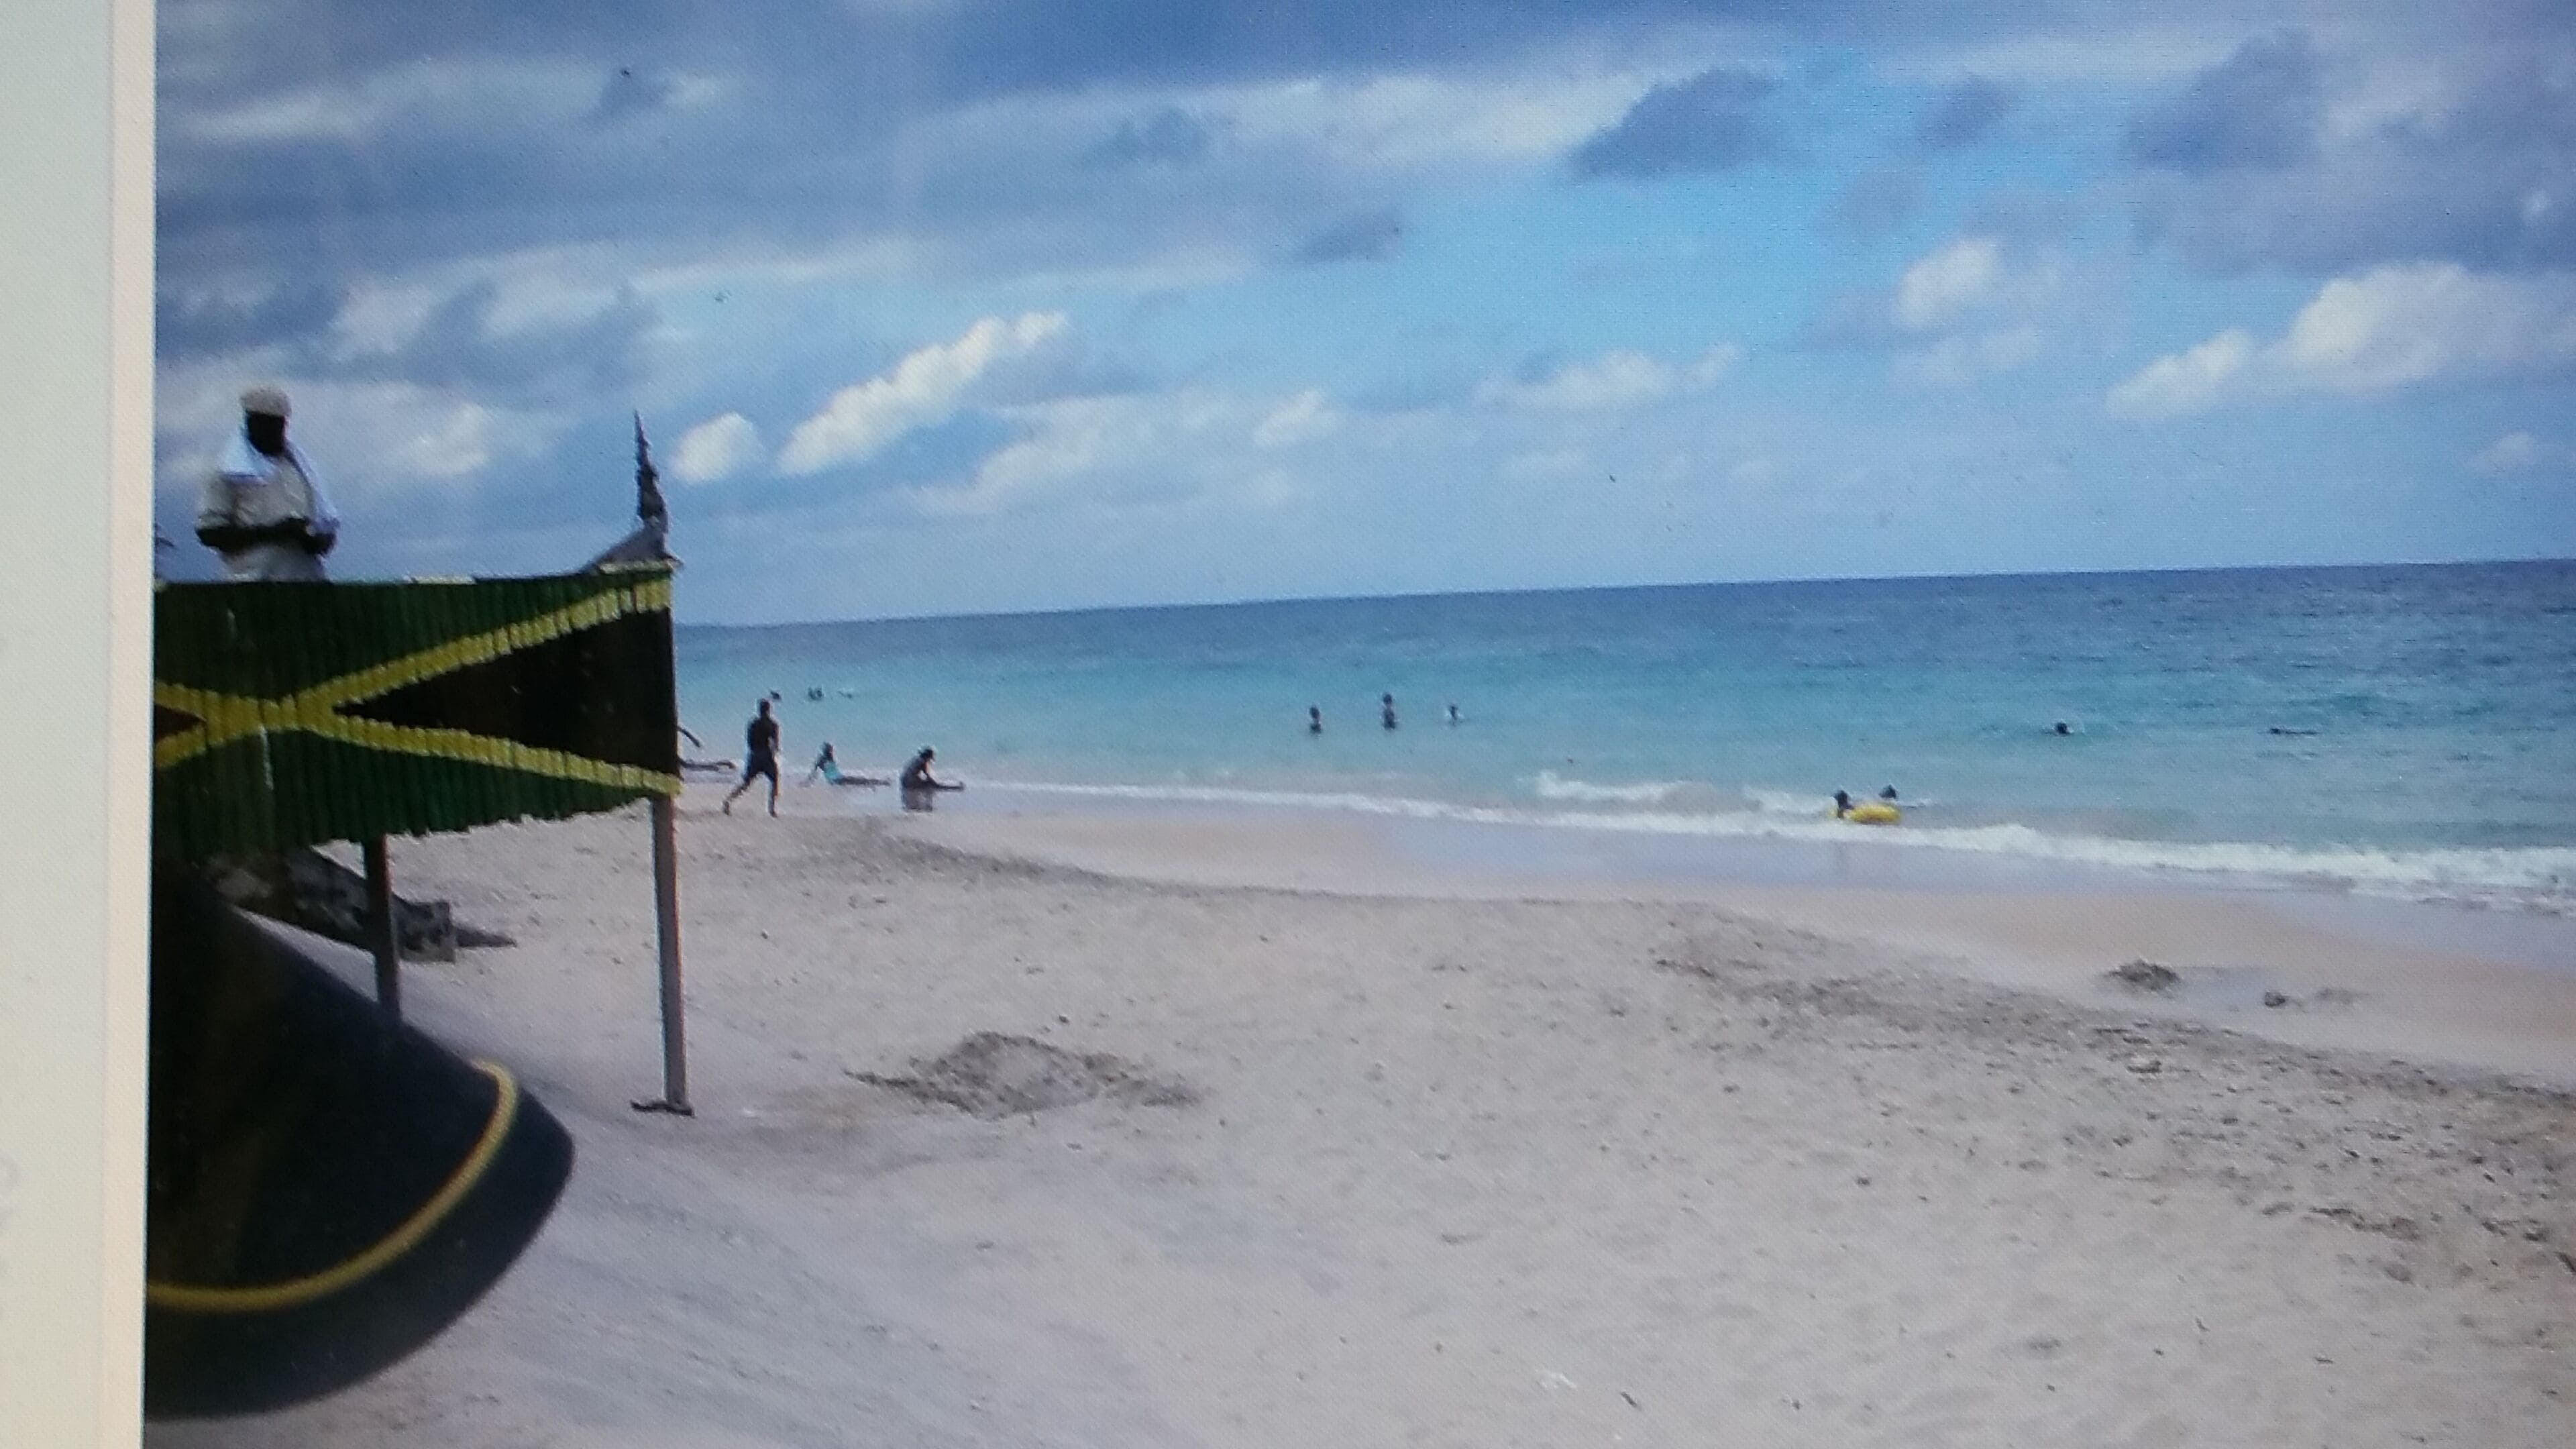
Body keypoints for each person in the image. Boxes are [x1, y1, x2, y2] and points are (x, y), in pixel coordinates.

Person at [195, 385, 340, 582]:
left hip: (305, 583)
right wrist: (273, 532)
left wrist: (309, 537)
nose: (273, 431)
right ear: (251, 424)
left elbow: (326, 533)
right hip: (251, 584)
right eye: (266, 424)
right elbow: (209, 532)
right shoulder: (227, 472)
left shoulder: (301, 470)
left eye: (278, 424)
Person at [722, 700, 782, 816]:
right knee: (775, 781)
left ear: (759, 709)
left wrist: (754, 753)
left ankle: (728, 801)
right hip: (766, 755)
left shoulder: (753, 724)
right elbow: (776, 743)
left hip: (754, 755)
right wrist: (773, 755)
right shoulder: (773, 724)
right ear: (769, 710)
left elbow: (749, 741)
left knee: (746, 783)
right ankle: (772, 809)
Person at [803, 742, 883, 788]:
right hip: (834, 781)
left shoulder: (831, 758)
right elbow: (814, 773)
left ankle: (880, 783)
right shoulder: (822, 760)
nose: (833, 751)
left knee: (859, 780)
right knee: (858, 781)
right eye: (831, 750)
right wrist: (808, 783)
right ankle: (879, 784)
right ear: (827, 750)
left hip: (840, 777)